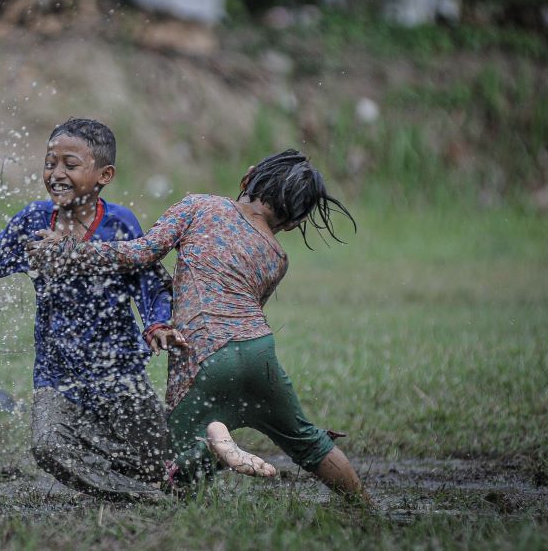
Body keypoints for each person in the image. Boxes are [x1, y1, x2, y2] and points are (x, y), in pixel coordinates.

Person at [28, 149, 370, 501]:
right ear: (295, 221)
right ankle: (366, 508)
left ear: (247, 177)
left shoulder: (199, 206)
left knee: (170, 471)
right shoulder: (277, 257)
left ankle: (212, 450)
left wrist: (72, 251)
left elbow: (139, 253)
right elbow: (242, 311)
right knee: (308, 441)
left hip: (204, 352)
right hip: (259, 351)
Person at [0, 118, 175, 500]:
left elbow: (150, 283)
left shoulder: (120, 224)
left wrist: (156, 324)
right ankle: (144, 497)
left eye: (70, 165)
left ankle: (157, 471)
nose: (56, 174)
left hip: (118, 371)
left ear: (105, 174)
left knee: (160, 461)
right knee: (49, 447)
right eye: (49, 163)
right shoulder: (34, 221)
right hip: (57, 372)